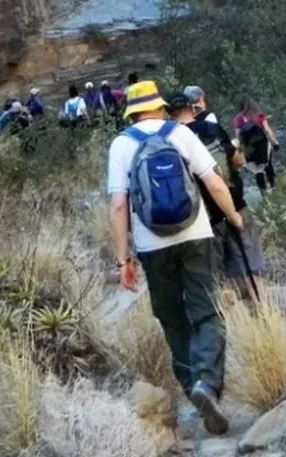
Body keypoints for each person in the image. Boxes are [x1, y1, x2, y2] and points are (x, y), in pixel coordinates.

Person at [108, 81, 243, 436]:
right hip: (196, 235)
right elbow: (214, 183)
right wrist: (234, 218)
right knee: (207, 312)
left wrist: (124, 260)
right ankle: (207, 385)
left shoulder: (122, 144)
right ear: (161, 106)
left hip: (152, 246)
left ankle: (191, 384)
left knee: (172, 317)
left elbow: (119, 205)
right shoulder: (180, 133)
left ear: (132, 112)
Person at [170, 93, 266, 299]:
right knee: (251, 264)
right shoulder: (212, 129)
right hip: (235, 204)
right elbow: (237, 162)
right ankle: (264, 313)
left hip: (204, 217)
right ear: (193, 108)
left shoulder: (173, 141)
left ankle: (231, 321)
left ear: (170, 115)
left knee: (219, 277)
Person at [232, 99, 280, 192]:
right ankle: (274, 187)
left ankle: (264, 194)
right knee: (268, 165)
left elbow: (238, 137)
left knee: (258, 171)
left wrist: (241, 155)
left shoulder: (237, 119)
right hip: (263, 146)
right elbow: (267, 130)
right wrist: (275, 143)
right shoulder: (258, 115)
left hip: (249, 150)